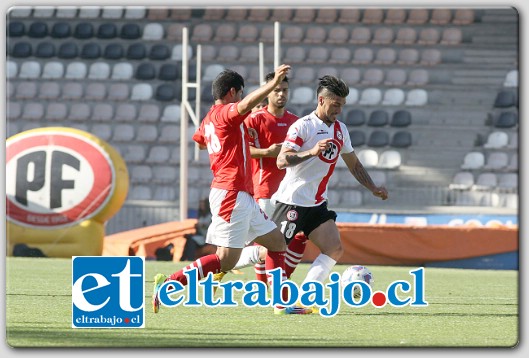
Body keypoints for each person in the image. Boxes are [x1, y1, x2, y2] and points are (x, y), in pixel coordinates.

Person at [152, 65, 311, 315]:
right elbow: (244, 106)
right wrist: (271, 85)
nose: (240, 99)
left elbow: (203, 143)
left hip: (241, 193)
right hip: (230, 193)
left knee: (277, 242)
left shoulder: (208, 119)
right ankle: (169, 284)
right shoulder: (226, 113)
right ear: (233, 92)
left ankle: (281, 303)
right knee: (226, 260)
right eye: (239, 94)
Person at [271, 75, 388, 310]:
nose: (340, 110)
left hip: (316, 204)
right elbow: (282, 161)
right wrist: (311, 152)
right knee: (273, 253)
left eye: (342, 105)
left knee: (334, 248)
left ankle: (304, 299)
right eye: (336, 104)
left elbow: (354, 164)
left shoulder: (340, 130)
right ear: (321, 100)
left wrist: (373, 187)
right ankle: (273, 298)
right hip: (292, 202)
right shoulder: (303, 126)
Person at [215, 72, 309, 285]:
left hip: (288, 192)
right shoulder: (254, 119)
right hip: (264, 190)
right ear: (267, 93)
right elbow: (241, 149)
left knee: (293, 239)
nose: (281, 94)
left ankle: (226, 269)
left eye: (284, 90)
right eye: (276, 90)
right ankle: (237, 273)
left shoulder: (295, 122)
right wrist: (268, 152)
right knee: (269, 247)